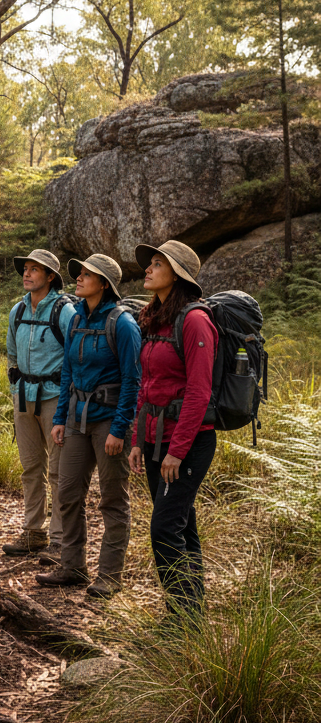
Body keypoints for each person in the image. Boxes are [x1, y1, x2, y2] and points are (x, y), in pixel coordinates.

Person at [38, 254, 141, 598]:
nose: (78, 279)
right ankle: (73, 567)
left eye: (86, 275)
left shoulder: (122, 324)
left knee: (113, 500)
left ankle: (110, 576)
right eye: (79, 274)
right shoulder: (76, 319)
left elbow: (132, 380)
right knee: (67, 494)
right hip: (76, 421)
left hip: (109, 422)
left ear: (104, 284)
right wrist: (60, 419)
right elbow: (68, 372)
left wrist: (120, 428)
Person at [129, 240, 217, 620]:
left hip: (188, 443)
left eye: (157, 263)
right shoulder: (154, 318)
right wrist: (137, 440)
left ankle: (181, 620)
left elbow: (200, 391)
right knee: (181, 524)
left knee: (164, 528)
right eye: (149, 263)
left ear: (177, 274)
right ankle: (192, 615)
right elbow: (145, 386)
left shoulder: (195, 320)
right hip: (154, 439)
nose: (148, 269)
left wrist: (177, 450)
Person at [3, 249, 78, 565]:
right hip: (23, 398)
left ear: (50, 277)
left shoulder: (65, 311)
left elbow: (77, 358)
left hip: (55, 400)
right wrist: (14, 388)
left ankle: (60, 540)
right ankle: (34, 532)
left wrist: (67, 400)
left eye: (36, 270)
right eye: (26, 269)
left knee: (58, 470)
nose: (28, 273)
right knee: (31, 468)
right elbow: (11, 355)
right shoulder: (17, 311)